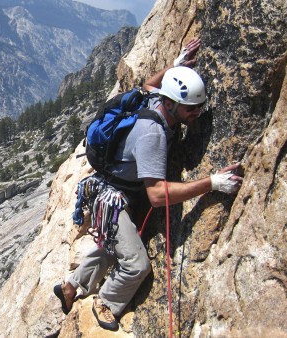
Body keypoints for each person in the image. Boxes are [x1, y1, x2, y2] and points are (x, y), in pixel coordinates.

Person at [53, 38, 243, 331]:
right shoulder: (152, 134)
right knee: (136, 264)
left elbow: (147, 84)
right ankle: (106, 300)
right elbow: (156, 195)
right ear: (172, 104)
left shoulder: (156, 100)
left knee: (120, 247)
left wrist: (176, 66)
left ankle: (71, 285)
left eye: (198, 107)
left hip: (114, 189)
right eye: (191, 108)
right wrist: (212, 183)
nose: (197, 113)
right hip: (113, 199)